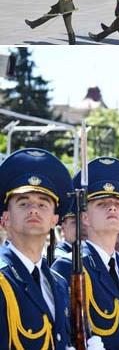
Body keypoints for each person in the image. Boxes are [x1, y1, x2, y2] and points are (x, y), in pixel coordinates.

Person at [53, 156, 119, 350]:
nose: (112, 207)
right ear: (85, 218)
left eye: (118, 204)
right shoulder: (68, 266)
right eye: (102, 204)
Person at [0, 147, 72, 350]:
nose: (33, 209)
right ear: (5, 218)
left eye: (43, 204)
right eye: (23, 203)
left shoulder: (59, 283)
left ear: (54, 220)